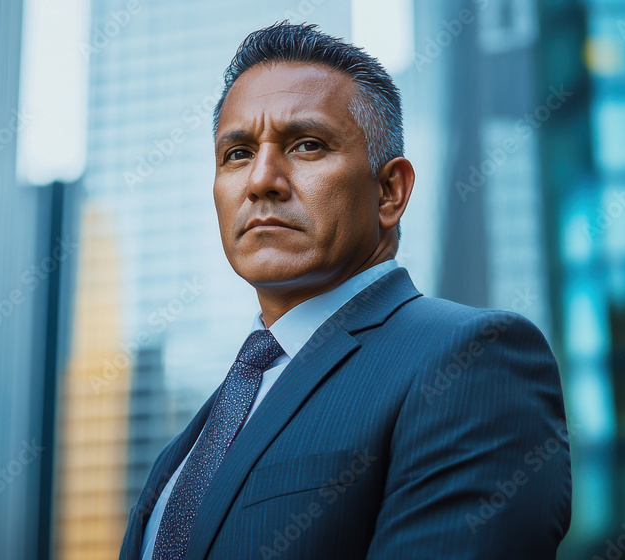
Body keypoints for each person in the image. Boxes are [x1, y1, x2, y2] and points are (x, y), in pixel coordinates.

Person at [120, 21, 571, 560]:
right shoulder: (193, 441)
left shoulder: (475, 360)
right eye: (237, 153)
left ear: (389, 191)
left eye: (307, 145)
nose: (261, 179)